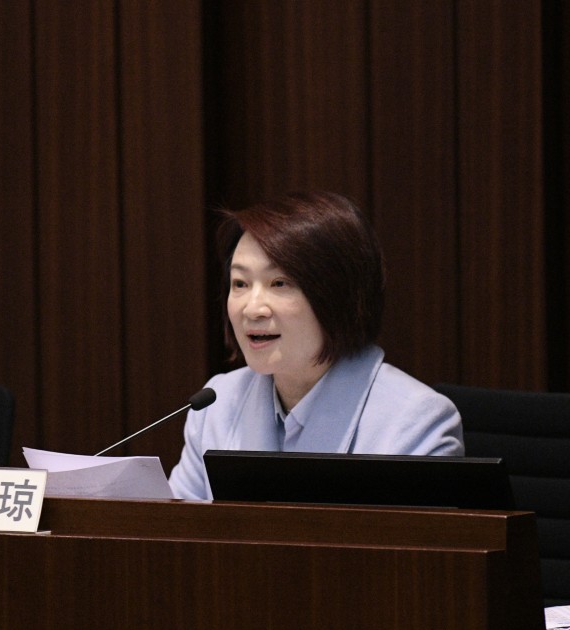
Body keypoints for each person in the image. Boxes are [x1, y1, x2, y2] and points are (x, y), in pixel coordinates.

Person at [168, 190, 464, 500]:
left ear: (337, 297)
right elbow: (176, 536)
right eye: (240, 283)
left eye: (279, 283)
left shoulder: (415, 421)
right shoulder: (217, 404)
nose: (252, 308)